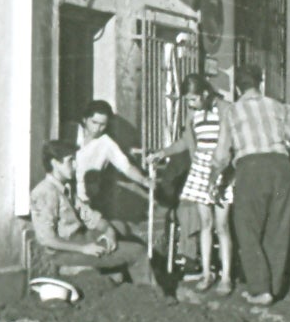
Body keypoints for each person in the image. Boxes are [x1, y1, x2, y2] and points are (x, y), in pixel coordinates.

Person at [211, 62, 290, 305]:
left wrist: (213, 179)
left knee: (247, 227)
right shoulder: (276, 106)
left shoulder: (231, 111)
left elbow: (222, 154)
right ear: (260, 83)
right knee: (278, 227)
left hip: (251, 168)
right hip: (282, 167)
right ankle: (272, 288)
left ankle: (259, 289)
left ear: (237, 87)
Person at [144, 75, 232, 294]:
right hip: (201, 168)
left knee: (222, 226)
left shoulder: (225, 109)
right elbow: (186, 141)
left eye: (193, 99)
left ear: (204, 93)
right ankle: (205, 273)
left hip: (222, 168)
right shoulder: (194, 115)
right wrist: (162, 153)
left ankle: (227, 277)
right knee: (205, 224)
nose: (190, 104)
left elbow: (233, 139)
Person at [28, 140, 155, 289]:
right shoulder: (44, 192)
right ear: (55, 163)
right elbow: (47, 240)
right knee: (138, 252)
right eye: (70, 161)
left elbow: (91, 217)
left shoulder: (66, 188)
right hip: (66, 253)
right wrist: (84, 248)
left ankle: (113, 277)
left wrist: (109, 231)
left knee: (119, 228)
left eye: (75, 160)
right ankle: (149, 296)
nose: (75, 166)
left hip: (82, 240)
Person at [73, 99, 152, 221]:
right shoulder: (71, 132)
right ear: (85, 119)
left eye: (102, 125)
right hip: (66, 197)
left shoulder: (106, 143)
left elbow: (126, 167)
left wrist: (143, 180)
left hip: (86, 201)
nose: (97, 128)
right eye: (94, 122)